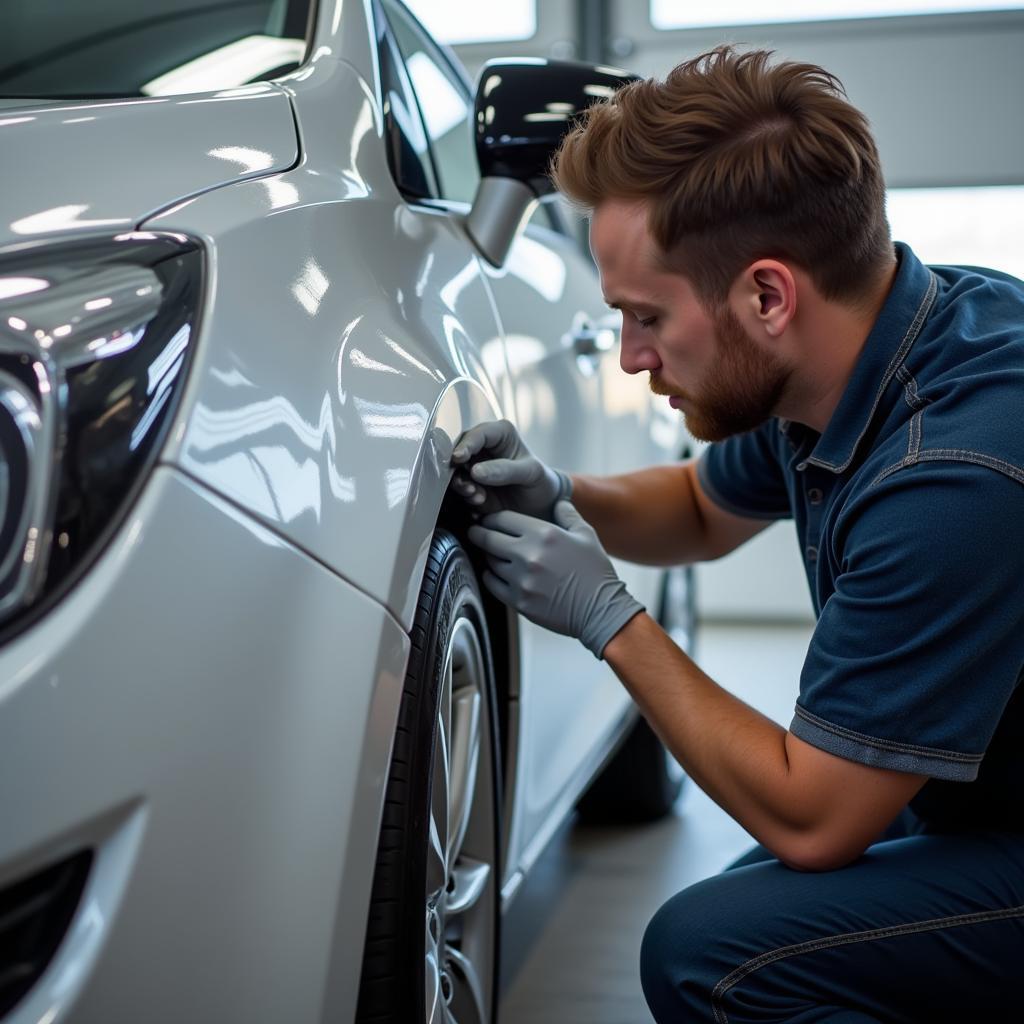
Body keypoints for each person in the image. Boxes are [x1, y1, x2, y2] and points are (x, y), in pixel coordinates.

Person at [448, 46, 1024, 1023]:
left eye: (645, 317)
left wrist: (608, 620)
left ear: (766, 295)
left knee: (713, 949)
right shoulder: (875, 340)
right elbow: (701, 508)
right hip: (983, 796)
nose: (629, 357)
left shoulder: (951, 481)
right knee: (752, 888)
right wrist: (558, 489)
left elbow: (815, 819)